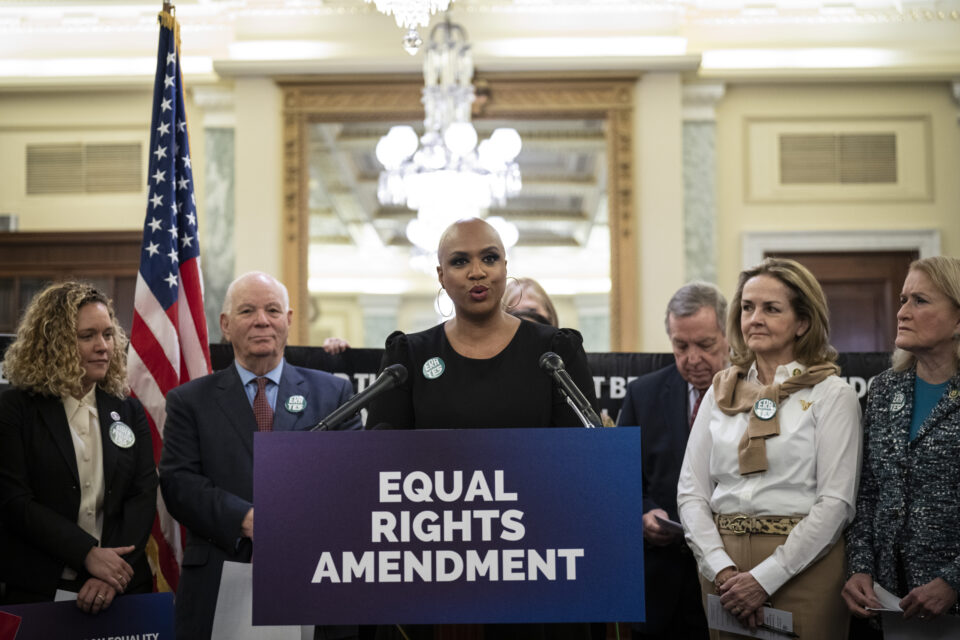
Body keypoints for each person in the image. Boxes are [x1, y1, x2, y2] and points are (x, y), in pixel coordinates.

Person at [366, 217, 599, 640]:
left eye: (489, 258)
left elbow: (585, 462)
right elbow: (381, 464)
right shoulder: (410, 356)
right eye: (460, 261)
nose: (477, 272)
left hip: (539, 570)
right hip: (435, 572)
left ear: (505, 266)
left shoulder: (555, 350)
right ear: (441, 275)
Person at [159, 271, 361, 640]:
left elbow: (349, 481)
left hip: (313, 573)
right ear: (225, 324)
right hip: (220, 577)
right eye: (247, 311)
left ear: (289, 319)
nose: (262, 320)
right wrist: (250, 520)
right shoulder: (189, 401)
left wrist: (286, 527)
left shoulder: (333, 393)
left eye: (272, 309)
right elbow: (179, 485)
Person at [677, 257, 861, 640]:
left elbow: (836, 503)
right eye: (747, 307)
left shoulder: (831, 394)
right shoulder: (719, 389)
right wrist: (721, 569)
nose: (754, 318)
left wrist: (764, 579)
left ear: (803, 322)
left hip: (804, 567)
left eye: (771, 309)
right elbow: (691, 492)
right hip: (721, 571)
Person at [0, 282, 157, 614]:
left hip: (122, 591)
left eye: (108, 334)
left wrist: (110, 573)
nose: (103, 347)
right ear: (53, 344)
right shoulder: (15, 409)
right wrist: (87, 554)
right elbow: (14, 500)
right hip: (39, 589)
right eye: (87, 336)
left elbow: (142, 495)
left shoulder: (127, 409)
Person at [842, 256, 960, 625]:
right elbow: (869, 492)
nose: (902, 312)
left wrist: (954, 580)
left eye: (919, 301)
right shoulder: (883, 390)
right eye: (902, 300)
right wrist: (859, 567)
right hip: (890, 602)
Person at [618, 282, 728, 640]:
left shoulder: (756, 393)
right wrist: (644, 513)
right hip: (658, 585)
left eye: (705, 345)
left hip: (730, 580)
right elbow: (621, 482)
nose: (692, 358)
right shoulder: (642, 394)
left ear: (729, 337)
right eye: (681, 346)